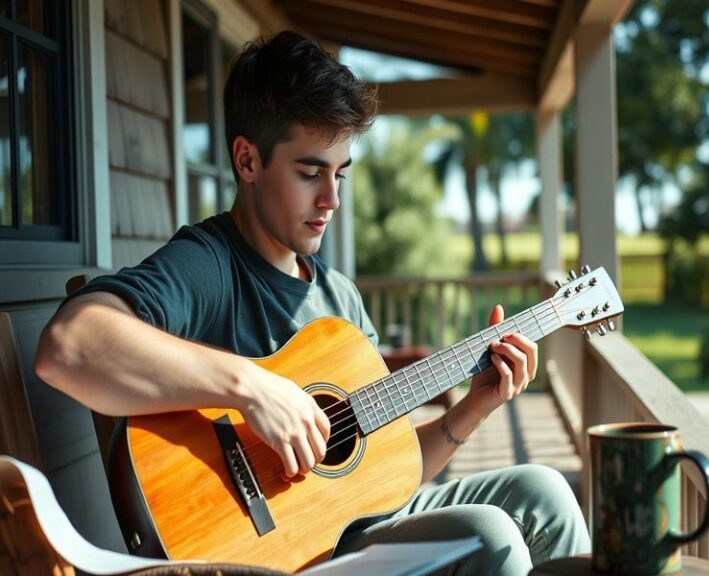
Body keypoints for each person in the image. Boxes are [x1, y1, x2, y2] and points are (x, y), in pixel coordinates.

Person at [35, 31, 589, 575]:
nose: (332, 199)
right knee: (488, 536)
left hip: (347, 528)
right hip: (268, 552)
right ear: (247, 160)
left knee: (543, 491)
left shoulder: (338, 296)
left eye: (340, 173)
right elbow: (68, 346)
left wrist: (474, 406)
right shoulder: (209, 265)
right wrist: (252, 389)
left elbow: (380, 479)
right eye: (310, 173)